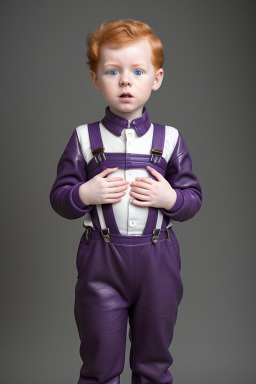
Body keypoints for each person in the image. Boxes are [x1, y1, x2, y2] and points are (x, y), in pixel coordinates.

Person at [49, 18, 202, 384]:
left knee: (154, 363)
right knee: (99, 365)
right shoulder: (84, 138)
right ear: (95, 79)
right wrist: (84, 194)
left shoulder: (170, 140)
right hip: (101, 262)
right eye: (112, 71)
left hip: (158, 262)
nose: (125, 81)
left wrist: (170, 198)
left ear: (157, 77)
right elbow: (60, 197)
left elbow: (193, 198)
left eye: (137, 70)